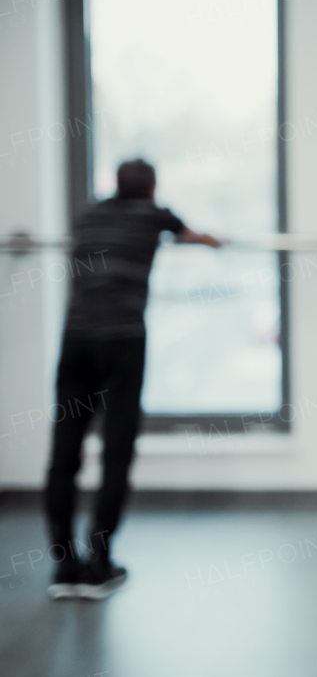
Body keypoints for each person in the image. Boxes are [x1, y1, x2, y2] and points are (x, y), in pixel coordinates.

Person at [45, 159, 222, 600]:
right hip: (122, 343)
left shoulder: (88, 214)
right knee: (117, 451)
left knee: (64, 453)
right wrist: (211, 240)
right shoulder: (154, 215)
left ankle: (65, 567)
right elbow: (195, 236)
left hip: (76, 340)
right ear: (151, 188)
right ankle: (100, 563)